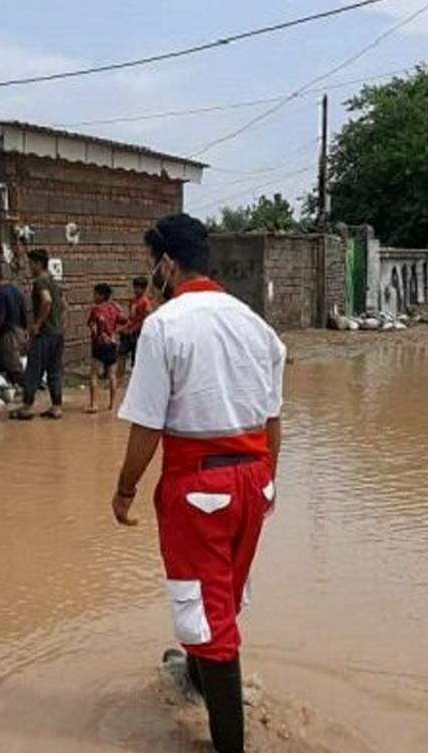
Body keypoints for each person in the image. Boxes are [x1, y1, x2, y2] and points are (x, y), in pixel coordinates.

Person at [112, 213, 285, 753]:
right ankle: (194, 675)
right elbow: (273, 420)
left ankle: (229, 743)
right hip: (255, 478)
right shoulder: (256, 324)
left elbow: (148, 424)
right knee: (220, 596)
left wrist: (124, 489)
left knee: (207, 612)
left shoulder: (164, 325)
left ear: (166, 263)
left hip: (198, 486)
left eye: (151, 264)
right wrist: (268, 487)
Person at [10, 249, 66, 421]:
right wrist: (62, 325)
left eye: (31, 263)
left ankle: (27, 407)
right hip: (57, 334)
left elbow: (47, 301)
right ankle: (56, 407)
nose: (29, 267)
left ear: (38, 264)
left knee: (33, 370)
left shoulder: (40, 281)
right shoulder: (53, 281)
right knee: (54, 371)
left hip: (44, 335)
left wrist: (37, 324)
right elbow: (64, 305)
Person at [86, 283, 124, 414]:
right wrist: (114, 333)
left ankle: (94, 404)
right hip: (112, 344)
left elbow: (90, 323)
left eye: (95, 294)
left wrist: (95, 331)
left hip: (99, 344)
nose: (93, 296)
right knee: (112, 375)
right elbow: (124, 320)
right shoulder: (115, 308)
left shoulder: (96, 309)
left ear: (101, 295)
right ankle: (112, 405)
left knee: (94, 374)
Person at [0, 270, 27, 385]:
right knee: (14, 358)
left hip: (7, 331)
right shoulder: (16, 291)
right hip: (18, 329)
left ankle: (24, 387)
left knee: (11, 361)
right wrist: (24, 328)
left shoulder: (0, 293)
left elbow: (0, 316)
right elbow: (23, 310)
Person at [117, 275, 152, 380]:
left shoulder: (145, 302)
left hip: (138, 334)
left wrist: (133, 329)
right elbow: (131, 318)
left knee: (136, 358)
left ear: (144, 288)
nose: (136, 290)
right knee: (121, 354)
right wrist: (123, 328)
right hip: (129, 332)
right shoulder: (133, 301)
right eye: (135, 287)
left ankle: (136, 380)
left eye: (139, 288)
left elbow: (145, 320)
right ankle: (119, 377)